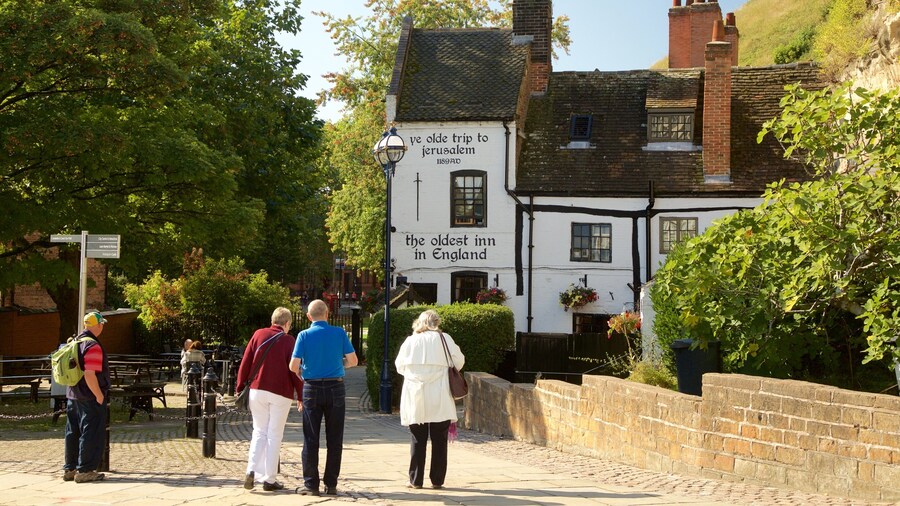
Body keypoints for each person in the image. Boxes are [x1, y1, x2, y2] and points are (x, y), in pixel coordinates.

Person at [289, 299, 358, 496]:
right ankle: (331, 484)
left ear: (308, 316)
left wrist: (303, 372)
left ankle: (311, 484)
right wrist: (340, 364)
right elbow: (353, 361)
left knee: (311, 437)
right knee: (335, 438)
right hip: (336, 387)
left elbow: (293, 366)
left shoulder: (303, 335)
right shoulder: (339, 333)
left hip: (312, 387)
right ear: (327, 314)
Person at [394, 310, 465, 490]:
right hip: (440, 394)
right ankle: (437, 480)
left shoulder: (410, 341)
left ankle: (416, 480)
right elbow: (459, 362)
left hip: (415, 395)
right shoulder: (444, 339)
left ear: (419, 322)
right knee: (440, 439)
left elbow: (399, 366)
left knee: (417, 438)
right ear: (437, 322)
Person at [236, 307, 303, 492]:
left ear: (272, 320)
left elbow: (246, 362)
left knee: (259, 431)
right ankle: (269, 479)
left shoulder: (258, 334)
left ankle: (251, 470)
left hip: (257, 390)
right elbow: (294, 370)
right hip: (280, 392)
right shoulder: (289, 340)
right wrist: (301, 394)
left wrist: (240, 387)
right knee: (274, 435)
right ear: (287, 323)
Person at [63, 311, 111, 483]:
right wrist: (99, 395)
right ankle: (85, 470)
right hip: (89, 396)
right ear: (98, 325)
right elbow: (90, 374)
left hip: (73, 394)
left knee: (72, 432)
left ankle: (70, 468)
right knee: (90, 432)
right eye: (102, 323)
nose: (102, 326)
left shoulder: (75, 342)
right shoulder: (92, 346)